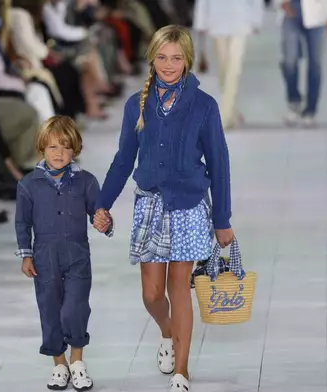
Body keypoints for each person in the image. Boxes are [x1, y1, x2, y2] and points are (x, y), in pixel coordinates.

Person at [92, 25, 234, 392]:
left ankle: (181, 373)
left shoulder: (203, 105)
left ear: (187, 59)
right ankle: (167, 332)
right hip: (150, 206)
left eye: (176, 58)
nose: (168, 65)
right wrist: (101, 204)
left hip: (188, 206)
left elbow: (219, 163)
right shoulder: (136, 105)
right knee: (152, 295)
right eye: (161, 57)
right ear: (151, 59)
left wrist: (222, 220)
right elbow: (123, 160)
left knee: (179, 289)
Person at [15, 116, 111, 391]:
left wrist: (104, 221)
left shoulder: (86, 181)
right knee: (50, 310)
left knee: (75, 307)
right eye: (53, 147)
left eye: (65, 147)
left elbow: (99, 213)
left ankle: (77, 362)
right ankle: (59, 364)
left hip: (77, 253)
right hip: (44, 255)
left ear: (75, 150)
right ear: (42, 148)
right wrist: (26, 254)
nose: (59, 154)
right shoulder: (28, 184)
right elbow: (23, 222)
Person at [193, 0, 263, 129]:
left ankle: (224, 117)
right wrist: (201, 22)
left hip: (240, 21)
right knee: (224, 71)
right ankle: (232, 113)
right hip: (217, 22)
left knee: (233, 71)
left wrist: (256, 20)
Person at [276, 0, 327, 126]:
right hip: (290, 9)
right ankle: (294, 102)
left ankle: (310, 110)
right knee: (289, 61)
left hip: (318, 13)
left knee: (315, 63)